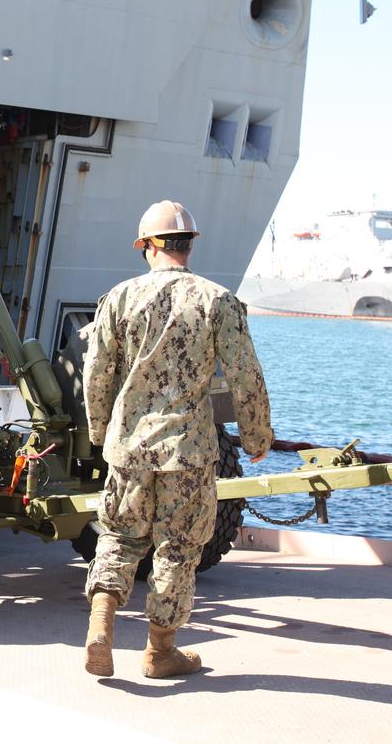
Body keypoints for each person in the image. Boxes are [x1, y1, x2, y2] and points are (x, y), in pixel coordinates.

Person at [80, 200, 272, 679]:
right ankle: (160, 652)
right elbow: (246, 376)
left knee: (120, 539)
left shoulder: (119, 298)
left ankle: (100, 629)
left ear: (148, 247)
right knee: (178, 549)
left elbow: (97, 374)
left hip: (129, 447)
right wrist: (256, 436)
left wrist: (100, 430)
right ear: (189, 245)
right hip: (188, 452)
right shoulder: (218, 300)